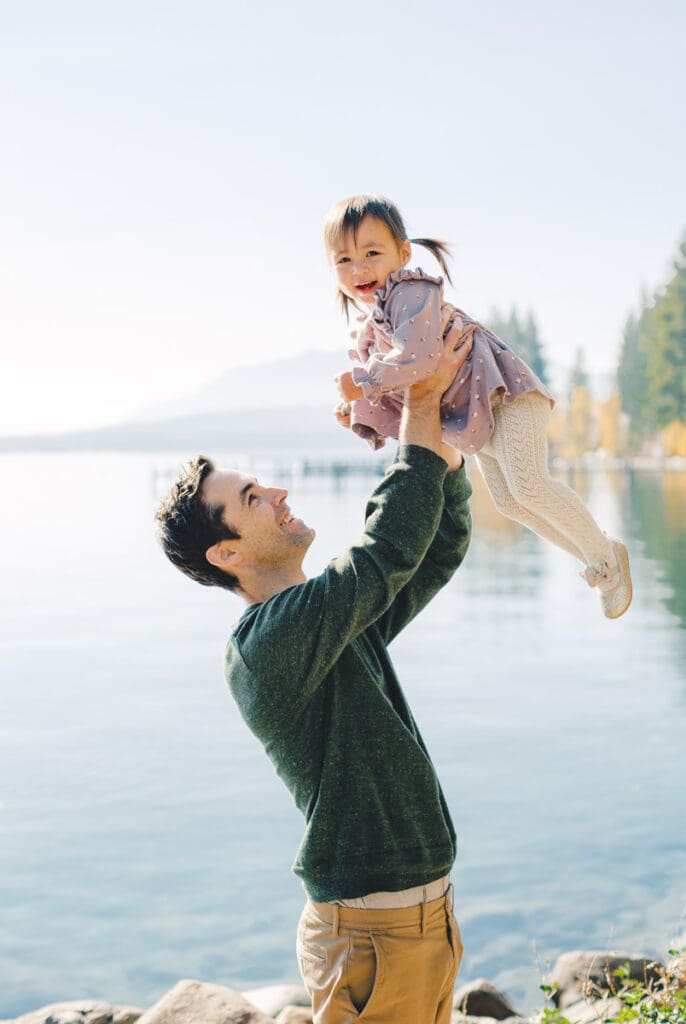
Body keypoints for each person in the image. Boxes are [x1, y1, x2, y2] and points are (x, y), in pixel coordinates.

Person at [154, 329, 473, 1024]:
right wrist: (418, 399)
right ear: (229, 551)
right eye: (251, 496)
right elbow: (385, 549)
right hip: (373, 935)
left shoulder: (329, 625)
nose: (276, 490)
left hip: (415, 919)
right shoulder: (269, 645)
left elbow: (432, 551)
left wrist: (443, 426)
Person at [326, 193, 633, 619]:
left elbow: (418, 358)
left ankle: (606, 561)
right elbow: (401, 397)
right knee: (509, 501)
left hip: (504, 395)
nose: (358, 268)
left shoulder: (410, 293)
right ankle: (600, 558)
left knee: (528, 485)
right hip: (474, 418)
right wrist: (359, 412)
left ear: (403, 253)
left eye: (371, 254)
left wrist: (362, 382)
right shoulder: (365, 329)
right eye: (343, 260)